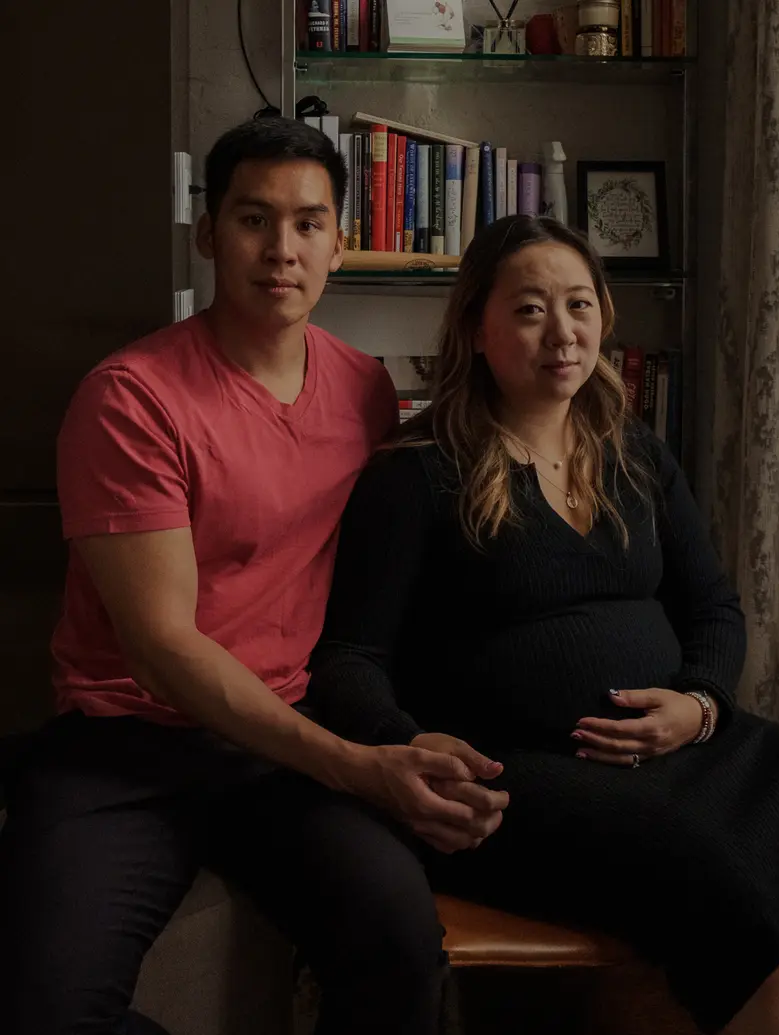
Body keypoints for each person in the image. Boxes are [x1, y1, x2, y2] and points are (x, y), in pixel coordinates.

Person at [0, 116, 508, 1035]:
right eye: (253, 219)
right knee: (46, 1010)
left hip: (279, 746)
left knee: (400, 943)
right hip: (125, 747)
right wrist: (359, 767)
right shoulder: (131, 397)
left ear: (340, 246)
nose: (283, 249)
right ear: (206, 233)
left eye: (310, 223)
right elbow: (162, 649)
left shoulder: (366, 390)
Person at [310, 214, 779, 1035]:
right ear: (477, 325)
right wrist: (403, 740)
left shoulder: (635, 452)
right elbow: (349, 656)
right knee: (720, 886)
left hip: (680, 755)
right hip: (518, 776)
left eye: (579, 304)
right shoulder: (418, 469)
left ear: (605, 315)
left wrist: (701, 705)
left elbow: (713, 606)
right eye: (531, 309)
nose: (562, 332)